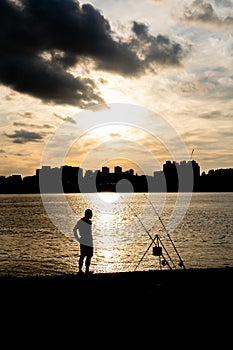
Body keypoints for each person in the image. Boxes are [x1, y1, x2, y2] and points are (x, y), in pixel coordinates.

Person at [73, 208, 94, 274]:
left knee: (87, 256)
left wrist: (78, 238)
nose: (91, 215)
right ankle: (82, 270)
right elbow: (75, 229)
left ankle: (84, 270)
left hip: (86, 240)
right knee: (85, 256)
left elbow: (75, 229)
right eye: (90, 214)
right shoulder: (83, 221)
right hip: (86, 240)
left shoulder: (86, 221)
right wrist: (78, 238)